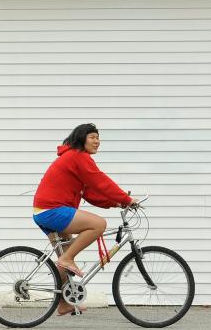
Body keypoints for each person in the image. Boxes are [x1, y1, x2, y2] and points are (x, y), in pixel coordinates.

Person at [32, 123, 137, 315]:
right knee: (98, 225)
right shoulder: (78, 156)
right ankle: (68, 258)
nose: (97, 141)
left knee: (63, 257)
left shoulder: (73, 157)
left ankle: (64, 303)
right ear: (82, 139)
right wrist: (127, 198)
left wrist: (117, 202)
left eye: (98, 138)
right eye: (93, 137)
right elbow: (100, 180)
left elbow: (90, 192)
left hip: (43, 211)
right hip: (52, 210)